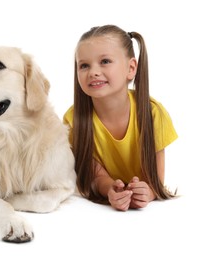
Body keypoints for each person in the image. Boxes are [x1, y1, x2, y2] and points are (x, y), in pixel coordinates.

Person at [63, 25, 178, 211]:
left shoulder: (153, 113)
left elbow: (156, 179)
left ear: (131, 68)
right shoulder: (74, 120)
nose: (93, 72)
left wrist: (148, 191)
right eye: (84, 65)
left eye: (105, 61)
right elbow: (96, 176)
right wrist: (110, 189)